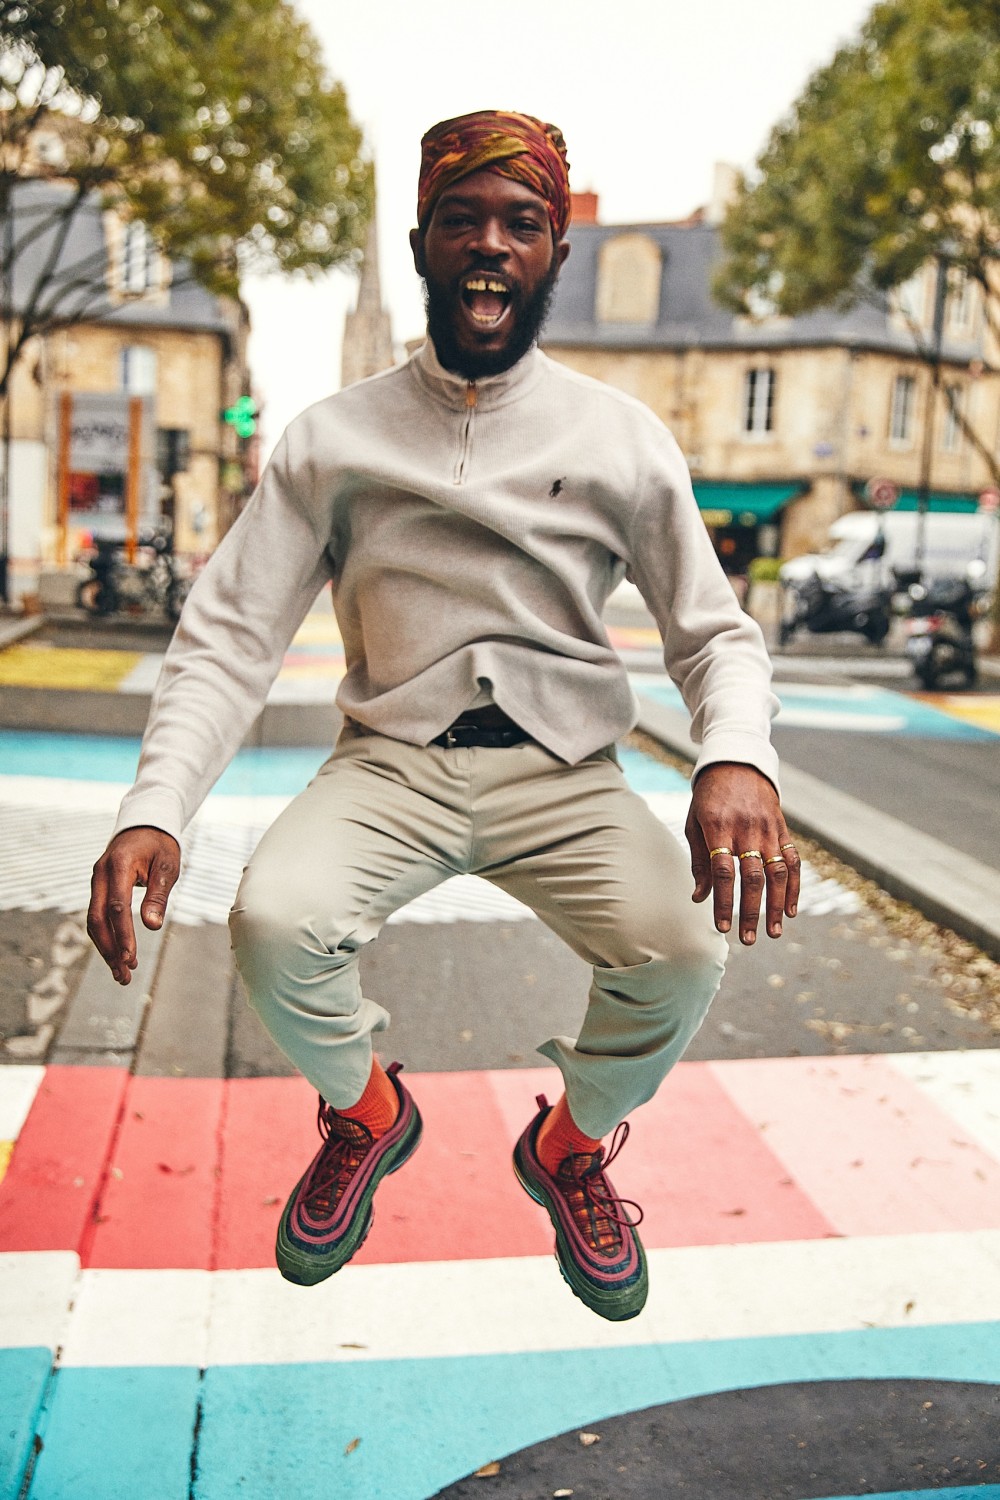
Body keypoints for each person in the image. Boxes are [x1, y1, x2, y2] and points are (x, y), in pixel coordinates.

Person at [88, 110, 799, 1323]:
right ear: (420, 241)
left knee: (682, 953)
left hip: (567, 773)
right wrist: (154, 808)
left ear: (555, 250)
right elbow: (229, 635)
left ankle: (568, 1149)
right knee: (273, 921)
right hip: (393, 768)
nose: (489, 246)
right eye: (459, 220)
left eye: (519, 224)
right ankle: (370, 1113)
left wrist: (737, 757)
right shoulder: (329, 440)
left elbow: (714, 631)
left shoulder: (621, 438)